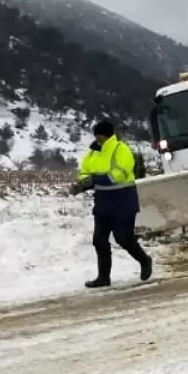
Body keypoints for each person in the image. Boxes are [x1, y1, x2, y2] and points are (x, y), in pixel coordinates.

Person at [70, 120, 153, 288]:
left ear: (107, 134)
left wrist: (95, 179)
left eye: (100, 135)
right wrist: (82, 184)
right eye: (96, 135)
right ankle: (103, 277)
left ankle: (145, 260)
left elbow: (120, 174)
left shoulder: (121, 149)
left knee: (123, 238)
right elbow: (84, 172)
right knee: (99, 240)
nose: (97, 138)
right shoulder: (92, 153)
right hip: (103, 202)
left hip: (123, 201)